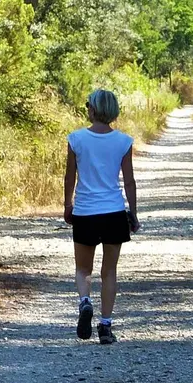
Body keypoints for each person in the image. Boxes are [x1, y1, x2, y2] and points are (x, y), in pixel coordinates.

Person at [63, 89, 139, 344]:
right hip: (113, 211)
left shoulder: (76, 139)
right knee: (109, 271)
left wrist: (67, 205)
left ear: (93, 109)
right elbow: (129, 181)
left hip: (85, 211)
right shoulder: (123, 141)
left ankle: (85, 301)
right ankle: (105, 326)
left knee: (83, 268)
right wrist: (134, 213)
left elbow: (70, 176)